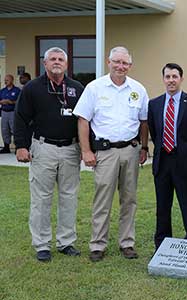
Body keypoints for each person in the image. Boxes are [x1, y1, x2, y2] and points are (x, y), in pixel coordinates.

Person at [73, 46, 149, 262]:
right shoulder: (95, 88)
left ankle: (127, 243)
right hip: (105, 152)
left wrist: (144, 147)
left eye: (125, 63)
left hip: (131, 150)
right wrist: (86, 150)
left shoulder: (138, 89)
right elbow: (83, 120)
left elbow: (144, 121)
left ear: (130, 66)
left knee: (129, 199)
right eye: (117, 61)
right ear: (108, 62)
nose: (120, 66)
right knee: (102, 199)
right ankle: (98, 244)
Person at [14, 47, 84, 262]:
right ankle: (42, 244)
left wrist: (85, 147)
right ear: (45, 64)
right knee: (41, 199)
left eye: (60, 59)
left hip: (71, 149)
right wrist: (21, 146)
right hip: (43, 148)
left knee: (69, 197)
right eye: (52, 59)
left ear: (66, 64)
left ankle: (66, 242)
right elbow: (20, 118)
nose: (56, 62)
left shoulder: (76, 88)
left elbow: (85, 120)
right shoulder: (33, 88)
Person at [148, 63, 187, 250]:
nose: (171, 80)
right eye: (167, 77)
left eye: (175, 76)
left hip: (185, 162)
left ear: (181, 78)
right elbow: (154, 131)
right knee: (162, 207)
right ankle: (162, 245)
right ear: (163, 79)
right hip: (163, 161)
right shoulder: (154, 104)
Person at [0, 74, 21, 153]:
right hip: (4, 112)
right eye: (5, 80)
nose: (5, 81)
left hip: (13, 112)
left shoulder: (17, 90)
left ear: (12, 80)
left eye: (7, 80)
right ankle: (6, 147)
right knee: (5, 130)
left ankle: (17, 148)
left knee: (14, 130)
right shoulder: (2, 91)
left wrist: (11, 102)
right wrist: (2, 102)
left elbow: (20, 101)